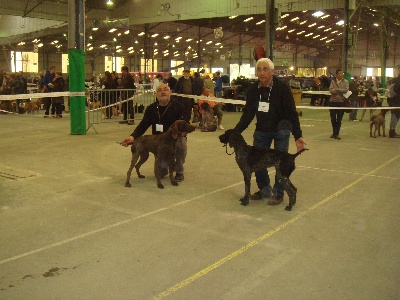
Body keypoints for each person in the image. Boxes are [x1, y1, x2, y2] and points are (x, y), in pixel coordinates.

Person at [233, 57, 307, 205]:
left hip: (281, 130)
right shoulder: (253, 90)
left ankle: (279, 193)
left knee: (281, 165)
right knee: (256, 163)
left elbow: (292, 112)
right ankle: (264, 189)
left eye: (265, 69)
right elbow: (248, 113)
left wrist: (297, 135)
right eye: (259, 69)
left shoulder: (282, 88)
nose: (262, 73)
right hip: (262, 130)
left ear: (272, 72)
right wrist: (236, 131)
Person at [121, 83, 188, 182]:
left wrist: (183, 132)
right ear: (156, 94)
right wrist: (132, 137)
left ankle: (179, 170)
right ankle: (168, 164)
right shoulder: (151, 109)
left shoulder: (178, 106)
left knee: (180, 145)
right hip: (159, 141)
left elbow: (185, 122)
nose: (163, 92)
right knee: (160, 173)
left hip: (175, 138)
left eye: (165, 89)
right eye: (160, 90)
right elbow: (143, 125)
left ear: (170, 92)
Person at [328, 68, 349, 140]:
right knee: (333, 118)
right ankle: (334, 133)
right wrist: (340, 91)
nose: (341, 74)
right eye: (340, 73)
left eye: (342, 73)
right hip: (333, 102)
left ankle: (336, 134)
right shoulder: (333, 81)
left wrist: (336, 90)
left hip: (341, 102)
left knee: (339, 119)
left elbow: (346, 90)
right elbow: (331, 90)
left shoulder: (346, 82)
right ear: (336, 74)